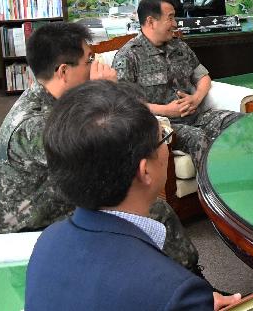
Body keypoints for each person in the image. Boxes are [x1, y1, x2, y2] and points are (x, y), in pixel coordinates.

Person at [0, 21, 200, 272]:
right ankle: (193, 287)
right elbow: (113, 155)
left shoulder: (53, 100)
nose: (97, 66)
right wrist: (106, 90)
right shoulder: (35, 125)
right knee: (153, 211)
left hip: (61, 203)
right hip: (34, 229)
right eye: (90, 60)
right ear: (64, 72)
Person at [26, 80, 241, 311]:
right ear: (144, 170)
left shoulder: (46, 243)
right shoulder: (175, 292)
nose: (167, 145)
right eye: (163, 137)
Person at [113, 0, 240, 162]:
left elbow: (203, 77)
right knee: (197, 138)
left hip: (197, 116)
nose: (175, 24)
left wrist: (196, 98)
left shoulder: (179, 45)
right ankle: (210, 188)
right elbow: (125, 104)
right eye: (170, 18)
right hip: (162, 125)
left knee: (240, 123)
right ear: (151, 21)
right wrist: (165, 110)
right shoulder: (128, 56)